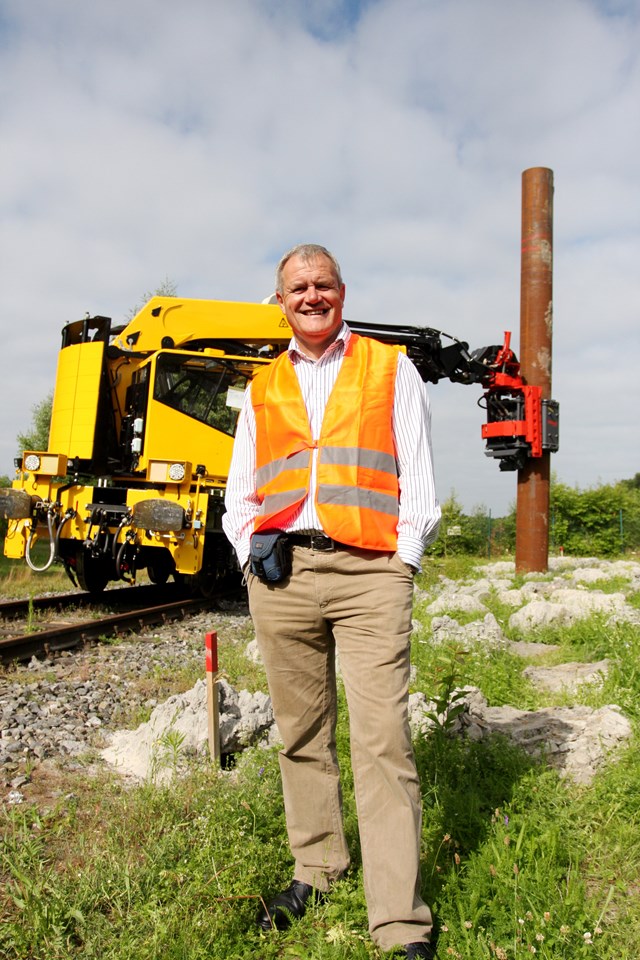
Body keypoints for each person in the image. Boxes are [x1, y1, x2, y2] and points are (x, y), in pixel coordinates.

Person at [222, 243, 441, 958]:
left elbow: (418, 477)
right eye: (297, 287)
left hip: (369, 571)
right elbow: (242, 490)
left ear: (341, 292)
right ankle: (316, 869)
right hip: (282, 577)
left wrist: (401, 561)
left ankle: (398, 922)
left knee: (383, 743)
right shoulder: (262, 386)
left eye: (322, 284)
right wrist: (246, 555)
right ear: (279, 300)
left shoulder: (388, 366)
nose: (311, 296)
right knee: (300, 737)